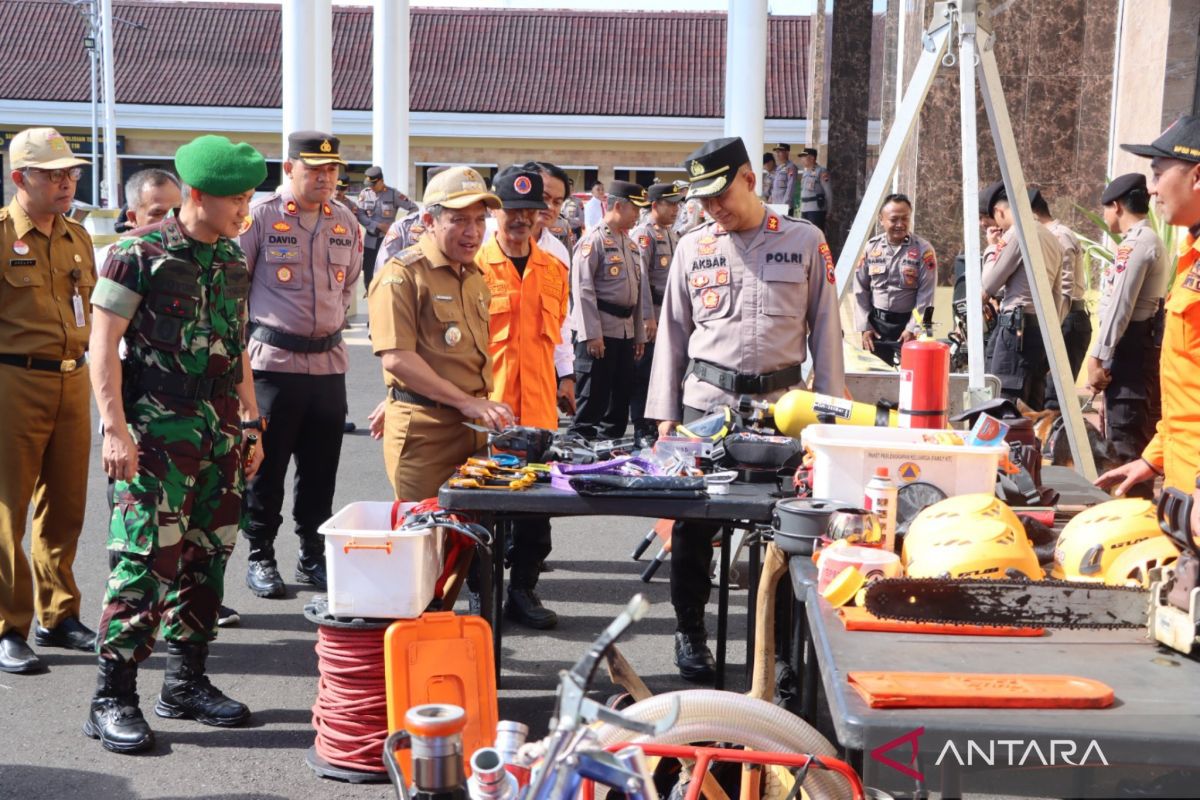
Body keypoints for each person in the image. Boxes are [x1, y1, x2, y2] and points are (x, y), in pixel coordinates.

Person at [86, 134, 266, 753]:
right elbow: (102, 345)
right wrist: (114, 429)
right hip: (155, 429)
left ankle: (185, 683)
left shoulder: (233, 258)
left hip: (218, 426)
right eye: (235, 198)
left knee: (207, 557)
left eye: (248, 197)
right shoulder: (136, 254)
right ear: (196, 195)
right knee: (144, 560)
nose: (246, 209)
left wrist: (250, 419)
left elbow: (237, 346)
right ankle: (113, 696)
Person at [646, 136, 844, 681]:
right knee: (690, 527)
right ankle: (689, 633)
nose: (712, 209)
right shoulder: (693, 246)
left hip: (781, 409)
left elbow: (827, 332)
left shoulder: (805, 241)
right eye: (703, 202)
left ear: (750, 181)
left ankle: (777, 652)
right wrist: (665, 415)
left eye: (720, 196)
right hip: (704, 408)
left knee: (785, 530)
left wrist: (831, 423)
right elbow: (672, 334)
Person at [237, 131, 362, 599]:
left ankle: (312, 553)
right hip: (273, 364)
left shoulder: (345, 221)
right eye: (314, 169)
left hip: (328, 364)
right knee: (265, 467)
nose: (325, 178)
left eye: (331, 170)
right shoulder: (260, 218)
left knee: (320, 467)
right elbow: (238, 290)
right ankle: (261, 554)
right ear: (289, 169)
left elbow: (347, 287)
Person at [0, 128, 97, 675]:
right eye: (54, 174)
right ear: (20, 178)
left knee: (65, 506)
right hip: (13, 380)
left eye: (71, 173)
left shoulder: (77, 237)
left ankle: (57, 615)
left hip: (72, 379)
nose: (67, 182)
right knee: (7, 509)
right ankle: (8, 626)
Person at [368, 166, 514, 503]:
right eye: (460, 220)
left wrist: (473, 405)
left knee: (469, 543)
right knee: (426, 541)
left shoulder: (473, 276)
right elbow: (396, 357)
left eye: (479, 220)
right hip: (426, 436)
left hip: (474, 432)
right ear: (430, 221)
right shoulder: (403, 275)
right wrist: (463, 401)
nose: (473, 232)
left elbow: (449, 355)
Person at [475, 167, 568, 628]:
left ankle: (523, 591)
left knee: (536, 515)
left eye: (531, 211)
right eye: (513, 210)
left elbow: (560, 337)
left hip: (538, 412)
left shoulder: (555, 269)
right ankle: (481, 593)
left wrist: (567, 380)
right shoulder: (472, 265)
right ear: (497, 212)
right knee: (483, 507)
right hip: (485, 411)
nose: (522, 219)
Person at [1096, 117, 1200, 511]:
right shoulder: (1191, 257)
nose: (1152, 188)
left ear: (1196, 175)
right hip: (1182, 483)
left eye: (1157, 174)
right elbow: (1188, 389)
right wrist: (1152, 459)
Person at [1084, 174, 1169, 500]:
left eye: (1105, 209)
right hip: (1135, 347)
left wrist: (1097, 357)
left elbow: (1120, 307)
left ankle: (1133, 519)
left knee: (1125, 441)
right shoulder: (1144, 241)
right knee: (1127, 434)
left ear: (1116, 206)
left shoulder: (1137, 244)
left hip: (1131, 349)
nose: (1105, 217)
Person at [569, 180, 648, 440]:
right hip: (600, 330)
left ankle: (610, 450)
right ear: (617, 206)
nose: (638, 215)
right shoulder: (593, 241)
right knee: (593, 398)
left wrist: (638, 335)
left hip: (624, 332)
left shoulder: (631, 245)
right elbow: (583, 290)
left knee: (619, 401)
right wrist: (591, 334)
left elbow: (635, 295)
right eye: (635, 209)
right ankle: (579, 453)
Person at [978, 180, 1064, 410]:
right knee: (1031, 405)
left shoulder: (1017, 234)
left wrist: (991, 248)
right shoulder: (1051, 238)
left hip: (1016, 332)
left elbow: (988, 284)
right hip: (1040, 330)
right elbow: (1058, 296)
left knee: (1004, 400)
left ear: (999, 211)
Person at [852, 193, 937, 366]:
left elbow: (926, 295)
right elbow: (860, 289)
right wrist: (864, 326)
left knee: (911, 378)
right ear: (881, 220)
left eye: (905, 218)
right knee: (876, 377)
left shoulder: (923, 250)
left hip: (908, 326)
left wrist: (912, 328)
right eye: (894, 219)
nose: (900, 224)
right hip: (876, 327)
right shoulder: (871, 248)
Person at [629, 182, 683, 444]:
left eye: (677, 204)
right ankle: (642, 425)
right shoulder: (644, 235)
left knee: (666, 370)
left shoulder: (673, 234)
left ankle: (660, 422)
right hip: (653, 313)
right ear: (654, 205)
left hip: (670, 313)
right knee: (645, 372)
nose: (676, 209)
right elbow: (641, 280)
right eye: (670, 204)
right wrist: (647, 317)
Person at [1030, 189, 1091, 409]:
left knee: (1055, 397)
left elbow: (1065, 288)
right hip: (1058, 318)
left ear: (1033, 214)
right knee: (1043, 392)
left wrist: (1053, 329)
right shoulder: (1048, 234)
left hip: (1067, 318)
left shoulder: (1059, 235)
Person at [357, 166, 417, 292]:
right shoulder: (365, 194)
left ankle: (386, 295)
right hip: (371, 239)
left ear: (381, 181)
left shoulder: (393, 194)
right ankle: (370, 293)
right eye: (369, 184)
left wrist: (398, 226)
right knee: (368, 269)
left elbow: (414, 208)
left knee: (388, 268)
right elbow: (360, 215)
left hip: (388, 239)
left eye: (373, 184)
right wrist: (376, 225)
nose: (371, 187)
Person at [794, 147, 832, 229]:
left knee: (815, 234)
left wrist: (829, 211)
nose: (802, 159)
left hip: (816, 209)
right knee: (806, 234)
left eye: (804, 156)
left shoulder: (821, 171)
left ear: (812, 158)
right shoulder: (805, 172)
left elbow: (828, 192)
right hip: (805, 209)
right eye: (801, 157)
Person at [766, 143, 797, 209]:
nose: (777, 154)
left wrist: (785, 204)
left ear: (787, 152)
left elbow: (790, 187)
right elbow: (775, 187)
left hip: (784, 206)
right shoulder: (779, 168)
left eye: (780, 152)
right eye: (776, 152)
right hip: (776, 205)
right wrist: (771, 197)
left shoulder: (791, 167)